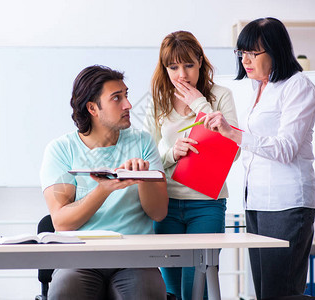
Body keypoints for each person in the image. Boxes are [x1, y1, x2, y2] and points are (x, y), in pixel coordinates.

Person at [202, 17, 315, 299]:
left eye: (253, 52)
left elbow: (285, 148)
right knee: (266, 292)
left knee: (281, 293)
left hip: (287, 203)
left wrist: (234, 134)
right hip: (256, 201)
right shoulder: (258, 88)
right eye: (241, 52)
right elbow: (256, 143)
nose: (245, 59)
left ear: (276, 50)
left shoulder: (298, 87)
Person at [40, 64, 169, 300]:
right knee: (64, 291)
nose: (128, 105)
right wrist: (104, 189)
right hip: (79, 258)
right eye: (116, 98)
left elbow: (159, 212)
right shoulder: (61, 149)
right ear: (92, 108)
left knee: (148, 293)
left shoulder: (143, 142)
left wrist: (143, 179)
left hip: (134, 258)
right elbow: (61, 222)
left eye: (126, 95)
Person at [143, 30, 238, 300]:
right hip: (166, 204)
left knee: (196, 288)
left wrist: (199, 103)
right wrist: (171, 153)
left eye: (188, 65)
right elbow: (147, 157)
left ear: (200, 62)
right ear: (165, 68)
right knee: (170, 290)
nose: (181, 74)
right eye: (173, 67)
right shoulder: (157, 100)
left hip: (206, 203)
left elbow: (232, 151)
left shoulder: (221, 96)